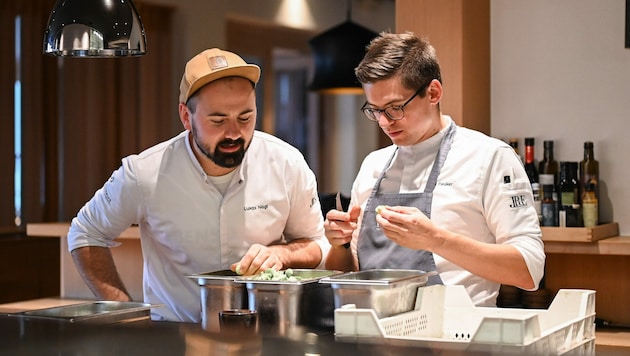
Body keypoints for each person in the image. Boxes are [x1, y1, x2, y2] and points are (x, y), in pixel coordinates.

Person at [67, 48, 330, 322]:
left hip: (266, 334)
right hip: (173, 336)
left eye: (245, 117)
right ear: (186, 116)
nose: (233, 133)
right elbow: (85, 233)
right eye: (217, 120)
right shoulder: (145, 172)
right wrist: (125, 315)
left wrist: (281, 254)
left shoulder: (286, 163)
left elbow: (317, 244)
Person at [324, 32, 545, 307]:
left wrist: (435, 239)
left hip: (458, 341)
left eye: (395, 108)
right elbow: (349, 274)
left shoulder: (488, 158)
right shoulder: (373, 164)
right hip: (373, 339)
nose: (384, 122)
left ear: (433, 92)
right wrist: (338, 244)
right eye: (375, 110)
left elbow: (529, 270)